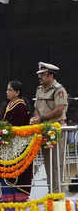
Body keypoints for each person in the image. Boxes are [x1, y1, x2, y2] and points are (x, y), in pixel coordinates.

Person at [0, 81, 32, 202]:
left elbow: (16, 126)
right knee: (4, 169)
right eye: (7, 90)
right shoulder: (9, 104)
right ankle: (6, 196)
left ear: (17, 92)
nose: (7, 92)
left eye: (10, 90)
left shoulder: (21, 106)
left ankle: (17, 196)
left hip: (18, 146)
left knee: (14, 172)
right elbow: (5, 121)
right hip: (8, 146)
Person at [30, 62, 68, 193]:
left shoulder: (59, 89)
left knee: (57, 163)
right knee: (48, 163)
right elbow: (37, 108)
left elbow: (59, 109)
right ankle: (51, 191)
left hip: (56, 129)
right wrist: (36, 119)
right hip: (44, 129)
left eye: (43, 74)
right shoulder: (39, 89)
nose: (40, 77)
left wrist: (41, 118)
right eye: (39, 74)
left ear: (51, 75)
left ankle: (58, 193)